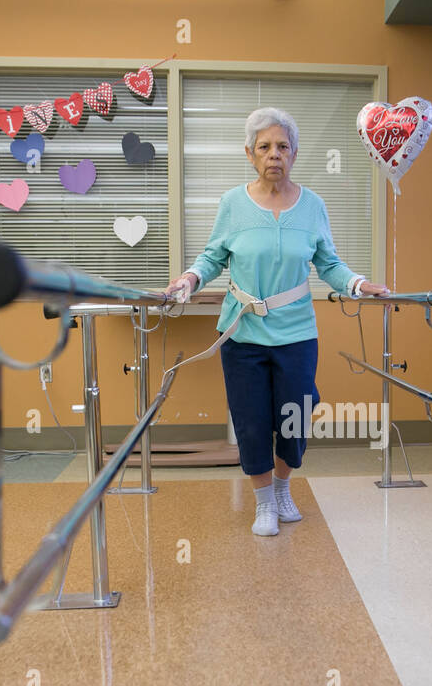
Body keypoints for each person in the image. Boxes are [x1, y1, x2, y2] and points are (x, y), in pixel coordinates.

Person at [167, 107, 389, 536]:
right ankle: (264, 503)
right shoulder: (233, 204)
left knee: (295, 416)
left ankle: (284, 489)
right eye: (265, 147)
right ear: (250, 154)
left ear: (295, 153)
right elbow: (213, 256)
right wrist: (191, 277)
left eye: (283, 147)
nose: (274, 155)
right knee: (250, 420)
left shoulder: (312, 206)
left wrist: (359, 284)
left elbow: (329, 264)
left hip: (296, 332)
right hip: (243, 331)